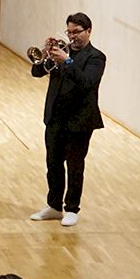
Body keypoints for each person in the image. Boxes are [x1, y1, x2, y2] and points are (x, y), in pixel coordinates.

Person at [28, 12, 106, 227]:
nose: (72, 36)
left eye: (77, 32)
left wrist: (68, 61)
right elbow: (36, 72)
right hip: (55, 118)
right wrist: (45, 53)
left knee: (75, 167)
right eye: (69, 32)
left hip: (79, 122)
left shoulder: (96, 57)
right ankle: (54, 206)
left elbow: (86, 82)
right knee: (53, 164)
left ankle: (71, 209)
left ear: (88, 31)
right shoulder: (62, 52)